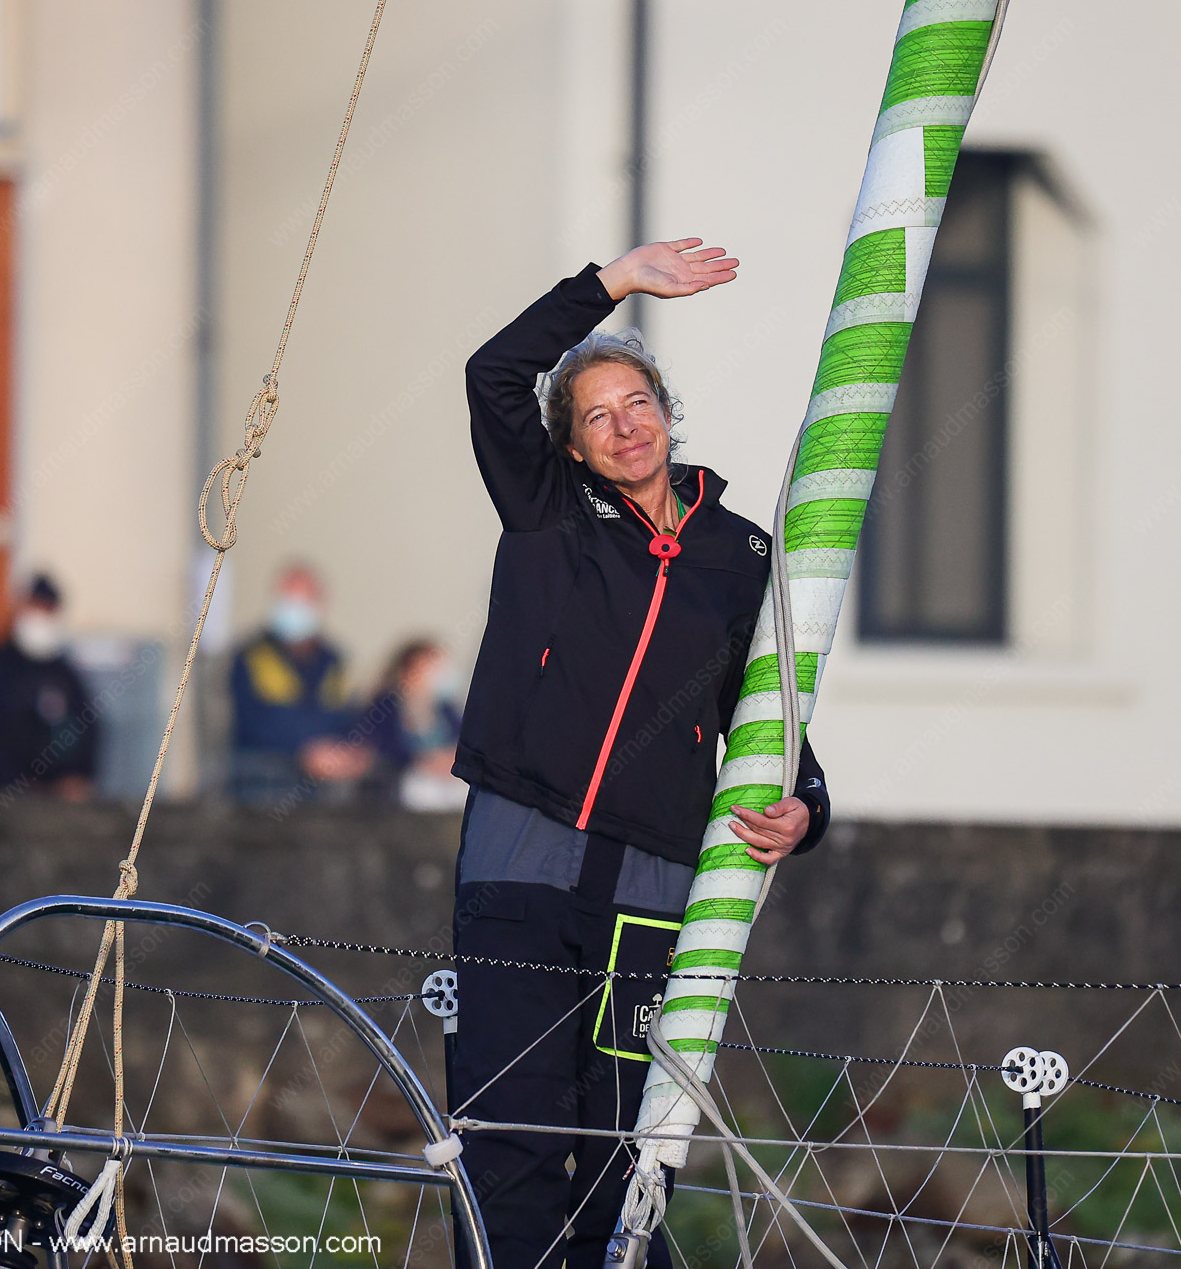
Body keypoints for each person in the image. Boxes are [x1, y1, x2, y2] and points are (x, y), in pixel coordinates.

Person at [448, 239, 832, 1269]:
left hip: (653, 879)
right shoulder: (544, 506)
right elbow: (491, 372)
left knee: (631, 1154)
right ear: (571, 447)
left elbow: (768, 706)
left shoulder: (742, 554)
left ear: (667, 413)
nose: (624, 427)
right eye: (596, 417)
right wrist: (611, 282)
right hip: (522, 856)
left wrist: (807, 803)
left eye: (638, 404)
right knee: (512, 1140)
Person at [229, 562, 373, 803]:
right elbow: (257, 720)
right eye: (289, 599)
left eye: (304, 600)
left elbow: (347, 712)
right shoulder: (253, 656)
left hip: (326, 780)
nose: (295, 609)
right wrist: (305, 750)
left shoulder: (333, 659)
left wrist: (351, 750)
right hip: (265, 779)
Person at [0, 574, 99, 799]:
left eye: (47, 610)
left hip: (57, 800)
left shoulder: (66, 676)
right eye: (34, 607)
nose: (40, 617)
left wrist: (73, 778)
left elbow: (88, 732)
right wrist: (13, 784)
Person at [368, 638, 466, 810]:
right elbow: (382, 749)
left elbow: (463, 741)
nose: (438, 674)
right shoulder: (385, 707)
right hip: (408, 781)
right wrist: (424, 762)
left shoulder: (446, 708)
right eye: (430, 667)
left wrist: (450, 760)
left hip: (448, 778)